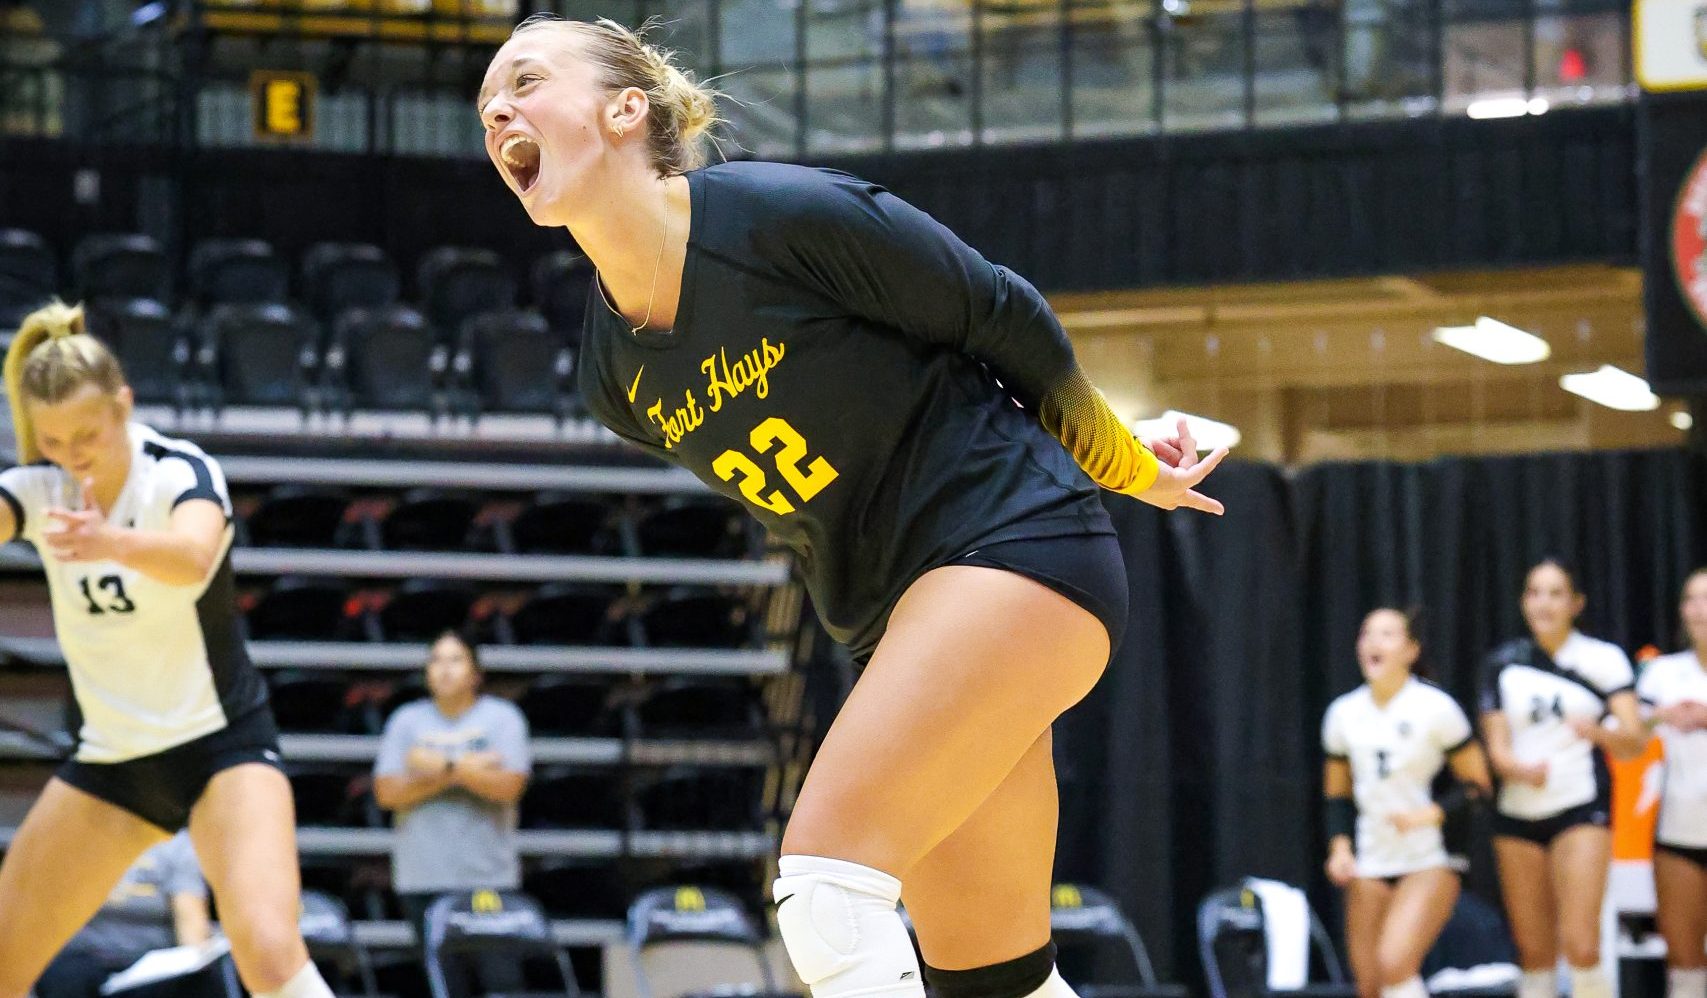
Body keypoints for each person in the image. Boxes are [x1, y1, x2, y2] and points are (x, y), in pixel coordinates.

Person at [475, 16, 1226, 998]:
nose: (498, 112)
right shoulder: (612, 375)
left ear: (625, 109)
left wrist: (1114, 456)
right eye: (486, 105)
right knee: (996, 983)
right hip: (893, 621)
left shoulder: (777, 217)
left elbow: (1000, 312)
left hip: (1009, 547)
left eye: (526, 81)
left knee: (825, 888)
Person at [0, 303, 332, 997]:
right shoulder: (41, 489)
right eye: (53, 440)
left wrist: (110, 543)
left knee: (270, 956)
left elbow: (193, 556)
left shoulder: (178, 473)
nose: (71, 455)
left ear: (123, 405)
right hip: (114, 763)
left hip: (222, 749)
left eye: (87, 435)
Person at [1479, 558, 1648, 998]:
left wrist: (1598, 732)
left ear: (1576, 603)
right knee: (1534, 953)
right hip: (1517, 813)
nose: (1544, 603)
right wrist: (1516, 768)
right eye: (1535, 593)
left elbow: (1634, 741)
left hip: (1580, 806)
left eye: (1556, 593)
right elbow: (1496, 748)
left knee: (1581, 943)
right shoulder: (1502, 664)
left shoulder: (1602, 659)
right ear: (1523, 602)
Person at [1322, 607, 1492, 998]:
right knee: (1369, 985)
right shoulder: (1343, 714)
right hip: (1372, 858)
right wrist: (1340, 848)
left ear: (1411, 650)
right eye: (1366, 634)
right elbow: (1337, 794)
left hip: (1428, 858)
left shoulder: (1435, 708)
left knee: (1395, 963)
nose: (1373, 642)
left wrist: (1431, 814)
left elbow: (1478, 786)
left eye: (1387, 634)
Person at [373, 630, 532, 998]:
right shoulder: (406, 721)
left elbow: (509, 787)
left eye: (456, 660)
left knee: (501, 984)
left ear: (476, 673)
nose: (444, 669)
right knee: (443, 987)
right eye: (436, 660)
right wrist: (468, 768)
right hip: (422, 878)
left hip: (489, 879)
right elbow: (387, 792)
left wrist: (436, 765)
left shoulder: (502, 718)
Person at [1637, 568, 1707, 998]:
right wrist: (1658, 716)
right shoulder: (1662, 673)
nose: (1700, 609)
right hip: (1678, 829)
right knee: (1683, 961)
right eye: (1692, 599)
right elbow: (1626, 731)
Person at [33, 830, 212, 998]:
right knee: (62, 977)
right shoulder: (76, 835)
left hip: (149, 960)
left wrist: (193, 963)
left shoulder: (176, 845)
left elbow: (191, 922)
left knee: (194, 981)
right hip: (82, 956)